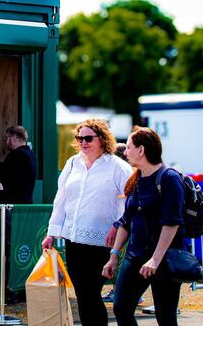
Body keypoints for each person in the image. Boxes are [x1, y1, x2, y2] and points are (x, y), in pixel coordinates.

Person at [41, 118, 132, 326]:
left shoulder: (118, 167)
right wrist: (51, 233)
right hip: (74, 238)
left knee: (91, 293)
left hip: (102, 240)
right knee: (83, 295)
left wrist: (118, 225)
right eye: (79, 137)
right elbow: (61, 199)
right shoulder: (73, 163)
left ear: (102, 139)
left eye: (88, 138)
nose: (83, 142)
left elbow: (128, 202)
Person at [102, 126, 185, 326]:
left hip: (163, 259)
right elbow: (126, 220)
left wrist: (155, 260)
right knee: (121, 308)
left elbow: (172, 222)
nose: (125, 151)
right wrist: (114, 255)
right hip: (135, 256)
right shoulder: (136, 178)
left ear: (141, 150)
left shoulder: (169, 178)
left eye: (129, 147)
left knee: (165, 317)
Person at [0, 125, 37, 204]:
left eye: (6, 138)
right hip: (26, 203)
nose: (6, 142)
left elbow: (4, 173)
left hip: (13, 205)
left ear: (14, 138)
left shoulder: (16, 154)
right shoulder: (31, 155)